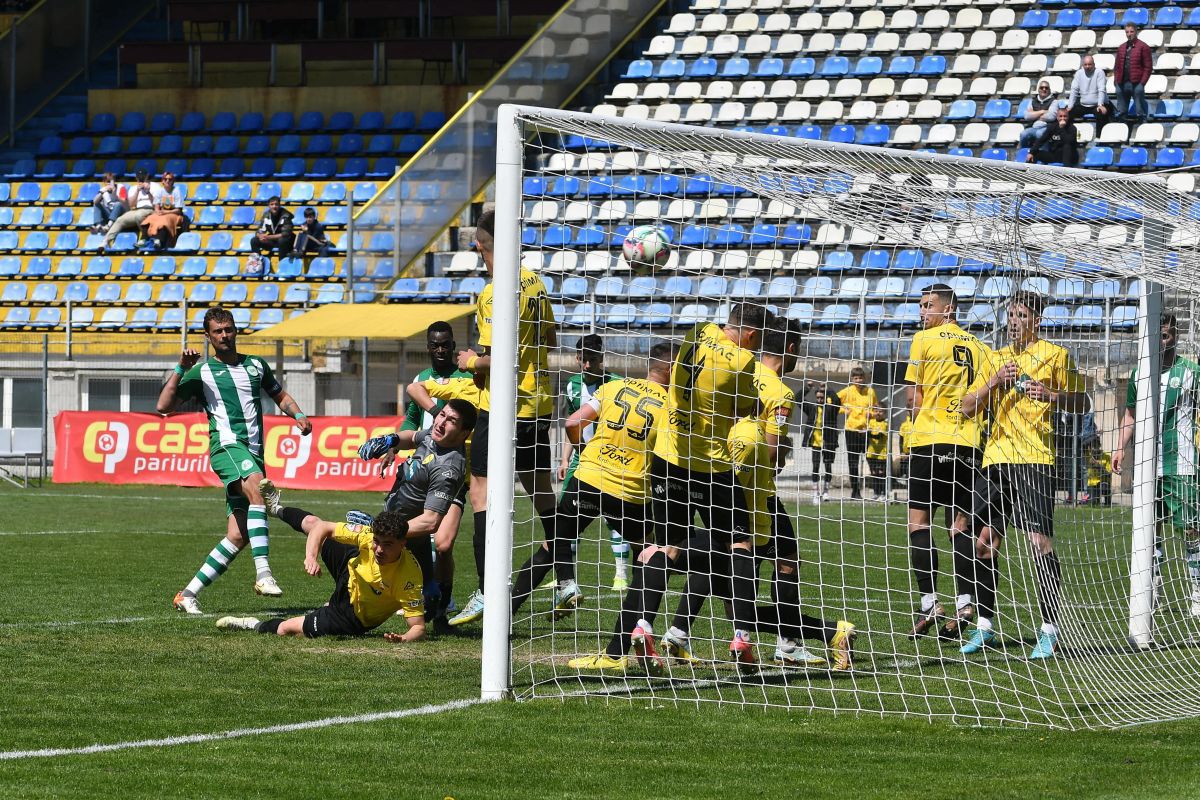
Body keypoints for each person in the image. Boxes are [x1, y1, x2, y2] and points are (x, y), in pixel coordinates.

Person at [585, 303, 769, 670]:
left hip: (668, 458)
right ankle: (742, 637)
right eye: (757, 340)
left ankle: (642, 626)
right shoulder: (743, 363)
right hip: (710, 463)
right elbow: (745, 408)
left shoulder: (697, 331)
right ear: (749, 335)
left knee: (666, 545)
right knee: (739, 543)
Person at [960, 291, 1090, 659]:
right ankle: (984, 625)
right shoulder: (995, 358)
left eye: (1020, 315)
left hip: (1035, 458)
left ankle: (1049, 630)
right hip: (996, 458)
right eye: (1010, 315)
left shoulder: (1055, 354)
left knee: (1038, 542)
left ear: (1036, 320)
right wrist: (994, 382)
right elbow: (968, 408)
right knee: (983, 541)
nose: (1013, 321)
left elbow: (1083, 402)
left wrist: (1051, 394)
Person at [512, 343, 673, 636]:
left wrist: (584, 451)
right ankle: (636, 627)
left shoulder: (615, 387)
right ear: (672, 370)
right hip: (629, 488)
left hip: (588, 477)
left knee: (554, 544)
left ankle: (507, 612)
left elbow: (572, 422)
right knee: (649, 552)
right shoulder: (671, 404)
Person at [161, 307, 312, 615]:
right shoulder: (201, 371)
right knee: (260, 490)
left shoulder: (256, 365)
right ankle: (263, 574)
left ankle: (187, 594)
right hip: (227, 447)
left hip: (253, 452)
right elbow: (164, 406)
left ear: (235, 330)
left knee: (239, 534)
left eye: (228, 329)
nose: (224, 335)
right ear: (208, 336)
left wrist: (297, 414)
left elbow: (280, 395)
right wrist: (180, 368)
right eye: (217, 331)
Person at [448, 208, 558, 627]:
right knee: (542, 493)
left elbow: (494, 359)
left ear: (479, 246)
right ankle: (565, 576)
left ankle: (486, 590)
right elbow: (549, 337)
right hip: (537, 405)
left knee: (481, 494)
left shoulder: (495, 292)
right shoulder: (536, 283)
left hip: (503, 407)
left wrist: (471, 360)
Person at [903, 283, 992, 641]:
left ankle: (930, 604)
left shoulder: (923, 340)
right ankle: (966, 603)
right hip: (969, 445)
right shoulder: (982, 348)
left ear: (949, 309)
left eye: (928, 306)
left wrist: (918, 423)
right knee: (960, 527)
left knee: (919, 524)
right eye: (921, 306)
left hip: (929, 440)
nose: (922, 313)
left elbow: (914, 396)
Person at [214, 509, 426, 642]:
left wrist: (404, 639)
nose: (379, 549)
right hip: (350, 570)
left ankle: (252, 624)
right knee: (315, 524)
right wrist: (311, 557)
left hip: (351, 613)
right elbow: (323, 528)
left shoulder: (408, 579)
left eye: (387, 544)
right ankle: (276, 508)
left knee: (286, 629)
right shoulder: (367, 537)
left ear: (403, 543)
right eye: (376, 541)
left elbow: (417, 626)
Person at [357, 398, 476, 629]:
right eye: (442, 415)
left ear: (463, 434)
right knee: (423, 584)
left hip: (406, 532)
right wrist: (389, 440)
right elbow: (412, 437)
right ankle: (436, 604)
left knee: (356, 552)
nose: (442, 422)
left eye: (451, 421)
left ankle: (436, 605)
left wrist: (381, 532)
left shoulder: (447, 468)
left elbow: (430, 521)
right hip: (397, 524)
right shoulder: (435, 435)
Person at [1112, 313, 1200, 618]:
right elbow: (1130, 415)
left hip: (1183, 464)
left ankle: (1197, 592)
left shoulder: (1191, 372)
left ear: (1175, 336)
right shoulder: (1139, 374)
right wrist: (1120, 448)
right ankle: (1153, 591)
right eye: (1155, 336)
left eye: (1165, 335)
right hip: (1149, 465)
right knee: (1150, 529)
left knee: (1191, 529)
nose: (1161, 341)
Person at [558, 334, 627, 590]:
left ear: (602, 358)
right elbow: (573, 424)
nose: (586, 365)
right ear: (577, 358)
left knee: (614, 517)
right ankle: (565, 575)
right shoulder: (572, 385)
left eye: (592, 359)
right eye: (582, 359)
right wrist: (565, 459)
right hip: (580, 458)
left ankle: (621, 574)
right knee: (566, 517)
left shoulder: (618, 384)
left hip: (611, 460)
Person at [838, 366, 878, 501]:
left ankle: (878, 491)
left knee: (871, 459)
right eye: (855, 378)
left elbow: (876, 409)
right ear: (851, 379)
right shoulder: (847, 391)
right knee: (853, 462)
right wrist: (844, 410)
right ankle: (855, 491)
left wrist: (871, 413)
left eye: (860, 378)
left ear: (864, 379)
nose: (858, 380)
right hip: (851, 431)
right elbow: (832, 402)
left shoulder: (870, 392)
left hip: (866, 430)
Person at [803, 382, 840, 504]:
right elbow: (798, 399)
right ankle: (815, 493)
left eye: (822, 397)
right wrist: (807, 388)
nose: (819, 399)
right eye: (818, 397)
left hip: (829, 443)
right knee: (815, 467)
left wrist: (827, 389)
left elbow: (837, 400)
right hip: (815, 443)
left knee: (828, 467)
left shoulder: (831, 408)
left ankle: (826, 492)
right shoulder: (812, 408)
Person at [1112, 22, 1153, 124]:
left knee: (1140, 110)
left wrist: (1142, 83)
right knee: (1121, 111)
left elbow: (1148, 67)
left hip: (1136, 83)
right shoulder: (1121, 47)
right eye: (1127, 32)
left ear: (1136, 32)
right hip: (1122, 83)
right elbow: (1116, 66)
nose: (1129, 34)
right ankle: (1122, 130)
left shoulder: (1143, 47)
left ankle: (1143, 129)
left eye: (1131, 31)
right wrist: (1116, 81)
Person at [103, 169, 154, 249]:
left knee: (138, 215)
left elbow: (156, 203)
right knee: (120, 220)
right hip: (136, 209)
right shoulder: (134, 188)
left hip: (150, 209)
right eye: (139, 177)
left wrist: (148, 192)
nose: (140, 179)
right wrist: (137, 191)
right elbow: (131, 205)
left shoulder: (155, 186)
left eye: (143, 177)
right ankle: (106, 241)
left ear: (147, 176)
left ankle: (145, 238)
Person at [141, 171, 187, 250]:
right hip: (162, 212)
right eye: (165, 179)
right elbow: (156, 205)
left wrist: (166, 212)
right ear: (162, 181)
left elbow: (179, 210)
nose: (167, 181)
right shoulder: (160, 191)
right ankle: (143, 239)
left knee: (164, 220)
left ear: (173, 181)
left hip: (174, 214)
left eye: (170, 179)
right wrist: (157, 211)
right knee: (149, 218)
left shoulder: (176, 191)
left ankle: (158, 240)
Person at [1067, 54, 1111, 134]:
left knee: (1101, 114)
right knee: (1066, 114)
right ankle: (1069, 136)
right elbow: (1074, 90)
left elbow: (1101, 89)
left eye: (1089, 64)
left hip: (1097, 104)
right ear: (1083, 65)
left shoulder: (1099, 72)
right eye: (1085, 64)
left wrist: (1100, 105)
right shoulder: (1079, 73)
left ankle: (1099, 139)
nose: (1087, 66)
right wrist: (1070, 106)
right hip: (1083, 105)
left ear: (1094, 65)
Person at [1018, 81, 1060, 150]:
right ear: (1038, 90)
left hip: (1047, 127)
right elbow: (1027, 116)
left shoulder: (1054, 101)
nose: (1044, 89)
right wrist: (1043, 111)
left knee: (1039, 134)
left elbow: (1051, 116)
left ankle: (1044, 154)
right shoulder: (1032, 101)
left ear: (1049, 90)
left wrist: (1034, 114)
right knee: (1023, 134)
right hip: (1033, 127)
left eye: (1046, 88)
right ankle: (1025, 154)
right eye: (1041, 88)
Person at [865, 407, 889, 502]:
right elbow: (868, 432)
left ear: (884, 413)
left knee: (881, 473)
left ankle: (883, 493)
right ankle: (876, 493)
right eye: (876, 411)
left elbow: (880, 436)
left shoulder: (885, 424)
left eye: (880, 411)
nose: (878, 413)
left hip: (881, 453)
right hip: (871, 453)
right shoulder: (871, 422)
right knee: (874, 473)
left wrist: (868, 433)